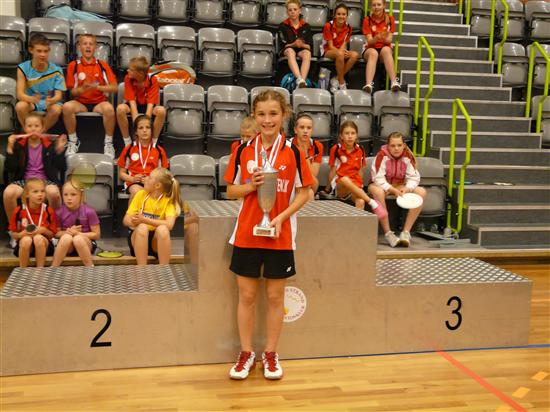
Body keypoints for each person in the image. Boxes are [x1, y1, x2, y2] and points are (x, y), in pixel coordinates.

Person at [224, 90, 313, 381]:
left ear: (283, 115)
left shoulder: (294, 151)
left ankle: (271, 353)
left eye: (273, 113)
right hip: (247, 234)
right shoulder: (243, 150)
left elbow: (305, 193)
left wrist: (280, 218)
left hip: (280, 234)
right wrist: (251, 186)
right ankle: (246, 353)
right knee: (247, 296)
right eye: (261, 114)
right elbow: (231, 190)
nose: (267, 120)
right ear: (254, 115)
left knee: (275, 297)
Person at [3, 113, 66, 226]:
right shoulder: (19, 145)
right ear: (25, 128)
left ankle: (54, 227)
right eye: (29, 126)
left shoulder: (50, 145)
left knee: (54, 193)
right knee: (8, 193)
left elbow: (61, 167)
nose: (33, 129)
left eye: (36, 126)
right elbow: (10, 168)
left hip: (44, 181)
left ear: (42, 128)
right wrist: (10, 146)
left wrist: (59, 150)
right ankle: (15, 228)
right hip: (24, 181)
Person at [62, 34, 118, 157]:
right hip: (81, 103)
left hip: (99, 102)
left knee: (109, 109)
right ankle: (73, 141)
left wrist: (97, 87)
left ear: (95, 47)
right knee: (66, 107)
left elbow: (114, 88)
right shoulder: (73, 65)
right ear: (79, 47)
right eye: (85, 44)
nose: (88, 46)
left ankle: (108, 144)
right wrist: (82, 89)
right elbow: (72, 92)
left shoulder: (102, 65)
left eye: (91, 44)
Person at [369, 132, 426, 247]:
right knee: (378, 192)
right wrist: (391, 189)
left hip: (399, 186)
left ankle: (405, 233)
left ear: (404, 145)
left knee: (421, 192)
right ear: (388, 146)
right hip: (380, 185)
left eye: (399, 145)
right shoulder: (381, 156)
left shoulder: (408, 156)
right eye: (393, 145)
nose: (396, 148)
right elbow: (378, 178)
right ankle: (388, 233)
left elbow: (414, 177)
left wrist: (407, 188)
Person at [324, 121, 387, 217]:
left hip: (355, 184)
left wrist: (360, 188)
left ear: (356, 135)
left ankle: (357, 226)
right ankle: (371, 202)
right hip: (340, 185)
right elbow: (333, 170)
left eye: (353, 133)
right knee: (345, 179)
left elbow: (360, 171)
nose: (350, 136)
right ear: (341, 136)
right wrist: (327, 189)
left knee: (361, 201)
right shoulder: (336, 149)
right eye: (347, 133)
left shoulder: (360, 149)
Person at [123, 167, 182, 266]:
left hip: (156, 241)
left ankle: (164, 268)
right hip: (138, 238)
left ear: (157, 185)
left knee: (163, 229)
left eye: (149, 177)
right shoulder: (140, 194)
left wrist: (144, 220)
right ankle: (142, 269)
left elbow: (170, 224)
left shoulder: (168, 200)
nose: (145, 178)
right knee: (142, 228)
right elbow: (126, 220)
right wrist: (134, 221)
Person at [15, 34, 66, 131]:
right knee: (20, 106)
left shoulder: (57, 70)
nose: (43, 54)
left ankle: (39, 134)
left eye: (46, 51)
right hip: (31, 101)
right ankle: (29, 133)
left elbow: (59, 96)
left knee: (56, 109)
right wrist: (31, 99)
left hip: (49, 103)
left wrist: (52, 100)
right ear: (31, 50)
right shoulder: (22, 68)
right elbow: (20, 94)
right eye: (39, 51)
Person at [117, 115, 169, 203]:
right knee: (138, 192)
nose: (144, 130)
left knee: (157, 193)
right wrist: (132, 179)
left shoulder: (159, 150)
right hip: (134, 183)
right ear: (136, 132)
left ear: (152, 131)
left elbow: (164, 174)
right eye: (141, 128)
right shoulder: (129, 148)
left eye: (148, 127)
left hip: (153, 183)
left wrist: (151, 180)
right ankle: (132, 213)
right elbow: (121, 174)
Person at [116, 56, 166, 146]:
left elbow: (150, 107)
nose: (127, 70)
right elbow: (132, 105)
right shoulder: (128, 78)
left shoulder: (153, 80)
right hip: (133, 105)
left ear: (140, 73)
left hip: (148, 106)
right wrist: (137, 134)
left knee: (161, 111)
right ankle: (127, 142)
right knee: (120, 109)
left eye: (131, 70)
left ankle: (152, 143)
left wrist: (144, 129)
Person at [8, 178, 57, 268]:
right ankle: (22, 270)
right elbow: (13, 234)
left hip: (44, 244)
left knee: (38, 238)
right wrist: (21, 234)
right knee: (26, 240)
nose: (40, 194)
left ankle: (40, 271)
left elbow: (52, 234)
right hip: (25, 245)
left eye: (42, 191)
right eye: (35, 191)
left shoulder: (48, 210)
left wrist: (43, 230)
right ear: (27, 194)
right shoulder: (19, 210)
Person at [51, 180, 101, 267]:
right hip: (67, 246)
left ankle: (90, 267)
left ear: (81, 195)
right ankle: (54, 267)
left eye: (73, 194)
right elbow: (56, 233)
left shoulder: (89, 211)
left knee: (78, 239)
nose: (69, 198)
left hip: (85, 243)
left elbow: (96, 235)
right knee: (66, 237)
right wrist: (68, 232)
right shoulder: (59, 212)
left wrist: (78, 233)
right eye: (65, 194)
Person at [362, 0, 400, 93]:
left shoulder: (390, 19)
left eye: (379, 5)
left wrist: (383, 38)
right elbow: (370, 41)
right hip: (370, 48)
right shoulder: (367, 20)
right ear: (371, 7)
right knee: (373, 53)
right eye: (374, 5)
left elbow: (389, 40)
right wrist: (376, 38)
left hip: (384, 48)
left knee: (386, 50)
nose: (376, 7)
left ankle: (394, 82)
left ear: (384, 6)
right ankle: (368, 85)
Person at [322, 3, 359, 93]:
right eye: (338, 14)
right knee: (340, 54)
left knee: (355, 55)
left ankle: (336, 79)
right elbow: (330, 46)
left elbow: (344, 44)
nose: (341, 16)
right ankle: (342, 83)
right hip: (328, 51)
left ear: (346, 15)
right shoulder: (328, 26)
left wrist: (342, 51)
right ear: (334, 15)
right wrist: (341, 52)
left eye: (343, 14)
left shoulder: (349, 28)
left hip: (340, 51)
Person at [278, 0, 313, 88]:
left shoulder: (306, 26)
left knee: (307, 53)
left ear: (300, 10)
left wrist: (301, 45)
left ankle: (302, 82)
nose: (292, 12)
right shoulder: (282, 26)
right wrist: (294, 44)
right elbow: (284, 45)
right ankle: (299, 79)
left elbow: (309, 46)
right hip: (288, 49)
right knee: (290, 51)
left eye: (295, 9)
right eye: (290, 10)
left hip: (301, 50)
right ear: (287, 12)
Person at [291, 113, 323, 196]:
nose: (305, 131)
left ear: (312, 131)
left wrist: (305, 155)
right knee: (310, 192)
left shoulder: (318, 146)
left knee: (311, 189)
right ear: (295, 130)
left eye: (309, 128)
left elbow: (313, 174)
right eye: (302, 127)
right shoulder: (288, 145)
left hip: (308, 183)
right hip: (291, 181)